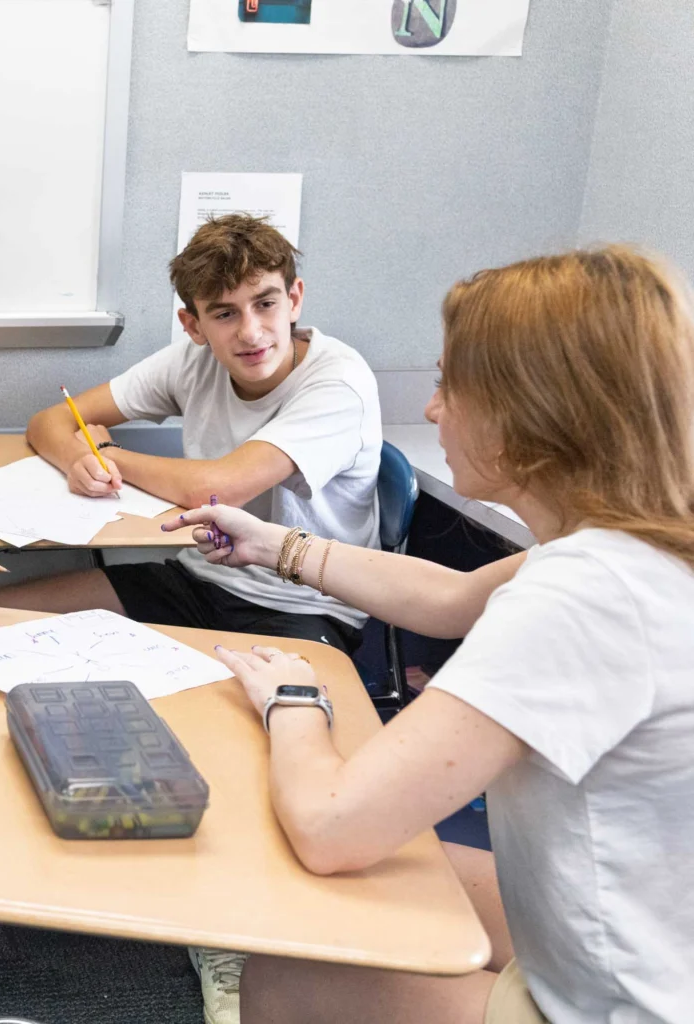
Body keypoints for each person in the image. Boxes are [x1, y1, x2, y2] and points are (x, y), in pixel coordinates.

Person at [174, 246, 694, 1024]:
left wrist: (292, 699)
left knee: (284, 969)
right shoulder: (638, 547)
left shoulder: (583, 597)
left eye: (450, 383)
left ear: (531, 406)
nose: (431, 409)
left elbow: (329, 827)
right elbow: (452, 600)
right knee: (411, 872)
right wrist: (275, 544)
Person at [0, 214, 381, 657]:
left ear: (294, 299)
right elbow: (49, 421)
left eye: (265, 304)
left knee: (223, 720)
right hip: (198, 580)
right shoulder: (192, 361)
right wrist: (78, 461)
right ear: (193, 325)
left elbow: (217, 490)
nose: (250, 331)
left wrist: (107, 452)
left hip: (302, 605)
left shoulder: (338, 383)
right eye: (225, 313)